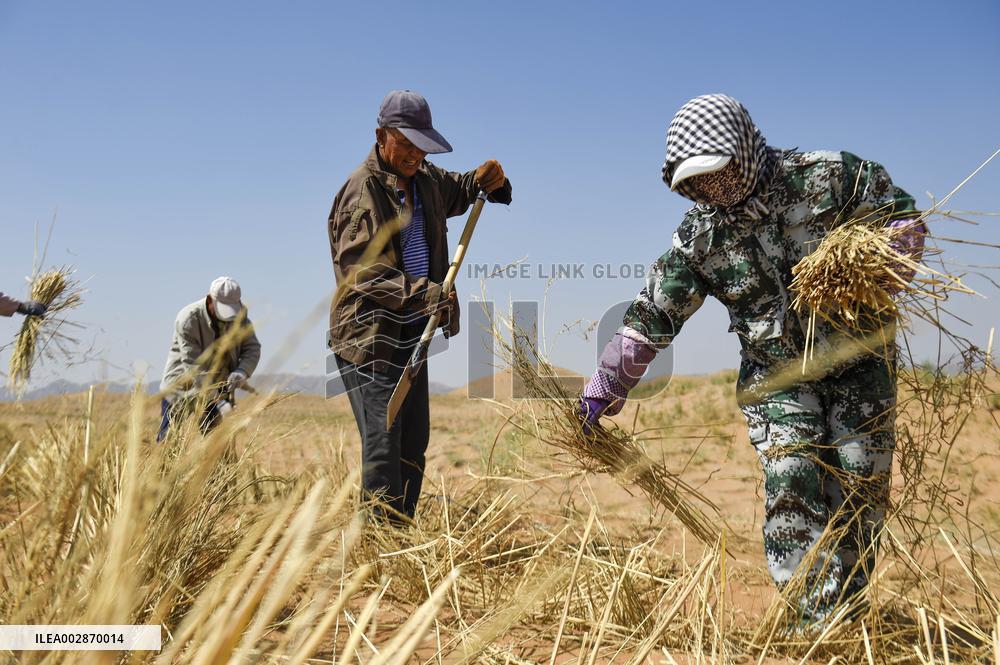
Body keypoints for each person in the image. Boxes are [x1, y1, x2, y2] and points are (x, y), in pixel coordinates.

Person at [580, 94, 926, 628]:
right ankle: (807, 621)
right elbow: (654, 312)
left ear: (742, 150)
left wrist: (890, 255)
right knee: (792, 479)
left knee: (859, 487)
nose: (712, 188)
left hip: (861, 365)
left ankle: (846, 617)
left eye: (718, 173)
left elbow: (901, 214)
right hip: (778, 380)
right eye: (696, 182)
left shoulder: (830, 176)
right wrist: (610, 378)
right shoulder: (700, 238)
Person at [328, 89, 511, 525]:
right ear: (381, 136)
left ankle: (401, 538)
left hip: (412, 334)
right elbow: (363, 274)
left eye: (421, 146)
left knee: (413, 445)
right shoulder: (362, 193)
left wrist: (490, 178)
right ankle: (376, 551)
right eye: (405, 143)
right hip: (369, 340)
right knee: (383, 448)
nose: (414, 154)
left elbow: (465, 188)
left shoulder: (426, 180)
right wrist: (429, 295)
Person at [158, 276, 261, 442]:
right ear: (209, 300)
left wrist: (242, 372)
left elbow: (252, 348)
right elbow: (193, 365)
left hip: (218, 389)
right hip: (182, 389)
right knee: (168, 444)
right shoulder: (188, 318)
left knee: (219, 448)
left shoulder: (240, 318)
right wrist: (218, 400)